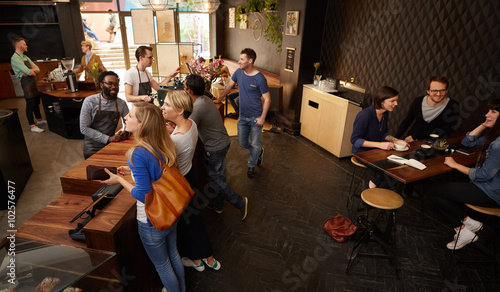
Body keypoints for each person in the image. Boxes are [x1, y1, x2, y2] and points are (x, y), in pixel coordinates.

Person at [101, 103, 185, 292]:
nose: (126, 118)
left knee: (162, 265)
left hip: (152, 220)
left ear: (142, 124)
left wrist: (119, 181)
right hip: (171, 210)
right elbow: (157, 175)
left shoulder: (137, 152)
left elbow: (144, 195)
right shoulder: (163, 142)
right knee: (173, 253)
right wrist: (132, 171)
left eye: (130, 116)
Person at [427, 99, 500, 250]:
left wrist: (455, 165)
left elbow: (483, 175)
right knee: (439, 188)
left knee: (432, 190)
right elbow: (467, 142)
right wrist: (483, 124)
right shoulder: (494, 137)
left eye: (493, 112)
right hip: (487, 187)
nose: (487, 114)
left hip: (491, 193)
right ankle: (467, 223)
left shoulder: (498, 144)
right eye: (488, 111)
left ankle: (462, 228)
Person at [160, 90, 221, 272]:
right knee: (192, 219)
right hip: (190, 176)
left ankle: (198, 259)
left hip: (180, 182)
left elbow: (163, 166)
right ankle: (204, 258)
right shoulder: (191, 124)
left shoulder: (176, 140)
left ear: (180, 111)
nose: (163, 107)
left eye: (167, 105)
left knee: (187, 222)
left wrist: (168, 135)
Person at [185, 74, 248, 220]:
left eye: (184, 88)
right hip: (223, 142)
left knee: (214, 178)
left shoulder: (197, 107)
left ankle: (239, 201)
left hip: (215, 148)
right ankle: (218, 205)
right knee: (218, 176)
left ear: (190, 92)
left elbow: (187, 127)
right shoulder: (205, 99)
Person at [215, 48, 270, 178]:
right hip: (243, 116)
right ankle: (259, 152)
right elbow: (228, 86)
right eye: (239, 59)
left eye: (242, 59)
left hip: (256, 117)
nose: (239, 62)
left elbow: (267, 99)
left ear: (250, 61)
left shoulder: (260, 78)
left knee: (255, 143)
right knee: (242, 143)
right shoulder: (239, 73)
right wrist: (218, 99)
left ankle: (251, 165)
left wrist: (262, 118)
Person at [350, 86, 408, 188]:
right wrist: (380, 145)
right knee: (392, 172)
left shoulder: (385, 114)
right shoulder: (365, 115)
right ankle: (374, 190)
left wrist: (397, 141)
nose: (396, 104)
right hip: (361, 153)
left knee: (399, 168)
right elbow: (355, 140)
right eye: (392, 101)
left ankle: (373, 184)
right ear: (381, 101)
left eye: (396, 100)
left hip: (376, 150)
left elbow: (384, 133)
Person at [80, 71, 129, 159]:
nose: (114, 87)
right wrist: (108, 139)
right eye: (110, 84)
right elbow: (84, 128)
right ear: (101, 84)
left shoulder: (121, 104)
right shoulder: (90, 101)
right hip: (92, 148)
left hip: (111, 145)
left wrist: (126, 132)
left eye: (116, 84)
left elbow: (128, 123)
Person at [396, 75, 460, 142]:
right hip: (411, 140)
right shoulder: (418, 101)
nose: (438, 94)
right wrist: (395, 139)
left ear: (446, 91)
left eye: (442, 90)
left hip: (434, 143)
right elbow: (406, 121)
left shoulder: (453, 106)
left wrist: (417, 136)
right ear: (428, 91)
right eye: (434, 90)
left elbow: (446, 131)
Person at [10, 37, 46, 133]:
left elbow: (37, 69)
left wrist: (31, 71)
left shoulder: (25, 57)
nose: (26, 46)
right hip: (26, 83)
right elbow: (28, 72)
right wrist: (30, 71)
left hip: (33, 81)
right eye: (24, 44)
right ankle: (32, 125)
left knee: (37, 102)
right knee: (30, 104)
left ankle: (39, 119)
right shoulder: (15, 58)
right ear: (18, 45)